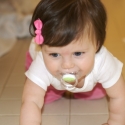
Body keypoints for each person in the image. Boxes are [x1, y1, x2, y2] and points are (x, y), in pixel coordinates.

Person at [20, 0, 125, 125]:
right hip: (48, 72)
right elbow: (31, 101)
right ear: (43, 48)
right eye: (55, 54)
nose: (67, 65)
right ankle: (57, 90)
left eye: (78, 53)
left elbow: (119, 96)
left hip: (78, 75)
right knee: (43, 96)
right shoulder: (41, 63)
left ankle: (78, 88)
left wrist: (115, 122)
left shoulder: (103, 62)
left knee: (95, 92)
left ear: (97, 45)